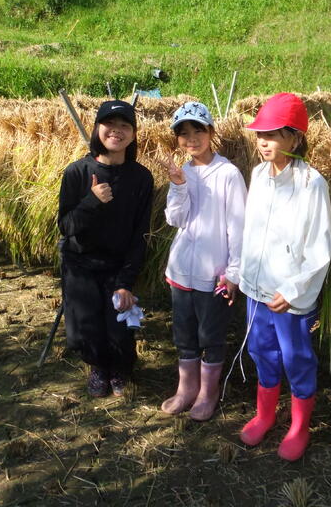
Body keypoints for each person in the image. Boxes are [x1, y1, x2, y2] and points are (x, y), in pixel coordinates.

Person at [237, 92, 331, 461]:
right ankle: (265, 415)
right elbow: (252, 232)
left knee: (296, 357)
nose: (263, 142)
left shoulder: (311, 184)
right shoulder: (258, 175)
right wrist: (243, 275)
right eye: (260, 134)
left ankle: (299, 426)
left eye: (273, 135)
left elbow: (320, 247)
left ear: (294, 138)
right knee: (260, 349)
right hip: (256, 289)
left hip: (289, 296)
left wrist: (293, 290)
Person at [57, 99, 154, 397]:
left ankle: (121, 368)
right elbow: (66, 226)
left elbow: (140, 234)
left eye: (125, 125)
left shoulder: (141, 178)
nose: (116, 131)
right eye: (109, 124)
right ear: (97, 129)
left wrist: (126, 282)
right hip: (80, 266)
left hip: (117, 267)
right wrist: (92, 201)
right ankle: (98, 367)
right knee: (85, 331)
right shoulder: (77, 172)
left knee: (119, 333)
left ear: (133, 134)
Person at [160, 101, 247, 421]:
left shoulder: (228, 174)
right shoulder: (182, 172)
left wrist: (234, 272)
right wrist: (178, 185)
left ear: (211, 132)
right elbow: (175, 219)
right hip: (181, 270)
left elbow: (238, 226)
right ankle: (186, 390)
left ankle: (208, 394)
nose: (191, 138)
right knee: (184, 335)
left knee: (211, 335)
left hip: (214, 274)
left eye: (198, 130)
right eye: (183, 133)